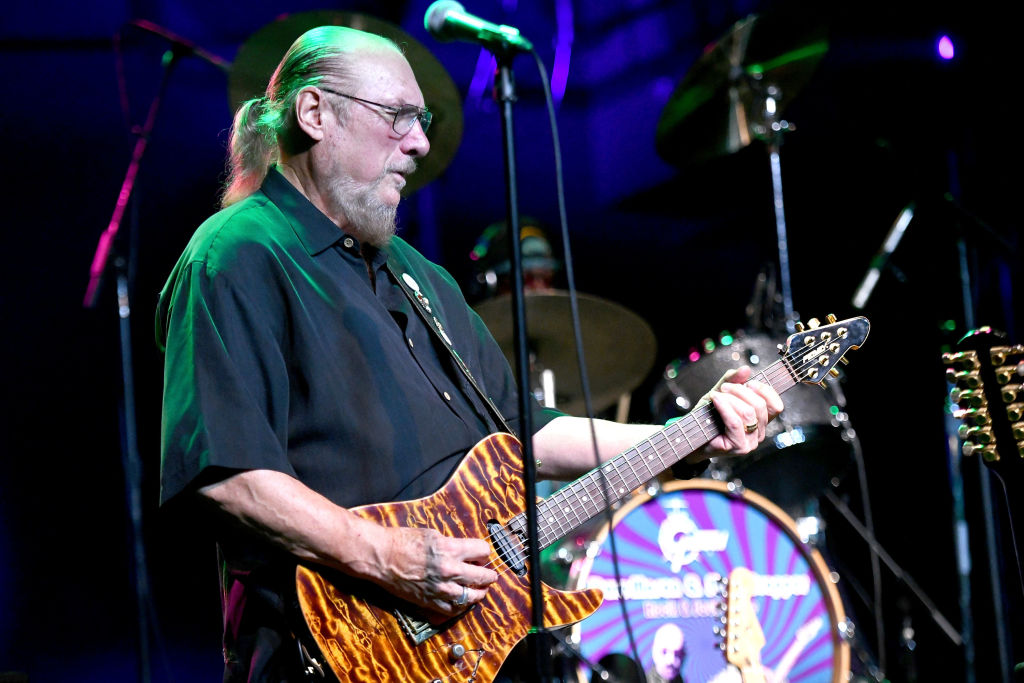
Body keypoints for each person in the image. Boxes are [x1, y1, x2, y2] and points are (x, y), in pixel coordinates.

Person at [155, 25, 784, 682]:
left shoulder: (421, 277)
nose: (420, 143)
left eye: (422, 120)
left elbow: (527, 432)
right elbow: (227, 474)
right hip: (326, 655)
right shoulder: (237, 254)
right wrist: (387, 555)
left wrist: (689, 435)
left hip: (468, 652)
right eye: (398, 116)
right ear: (315, 113)